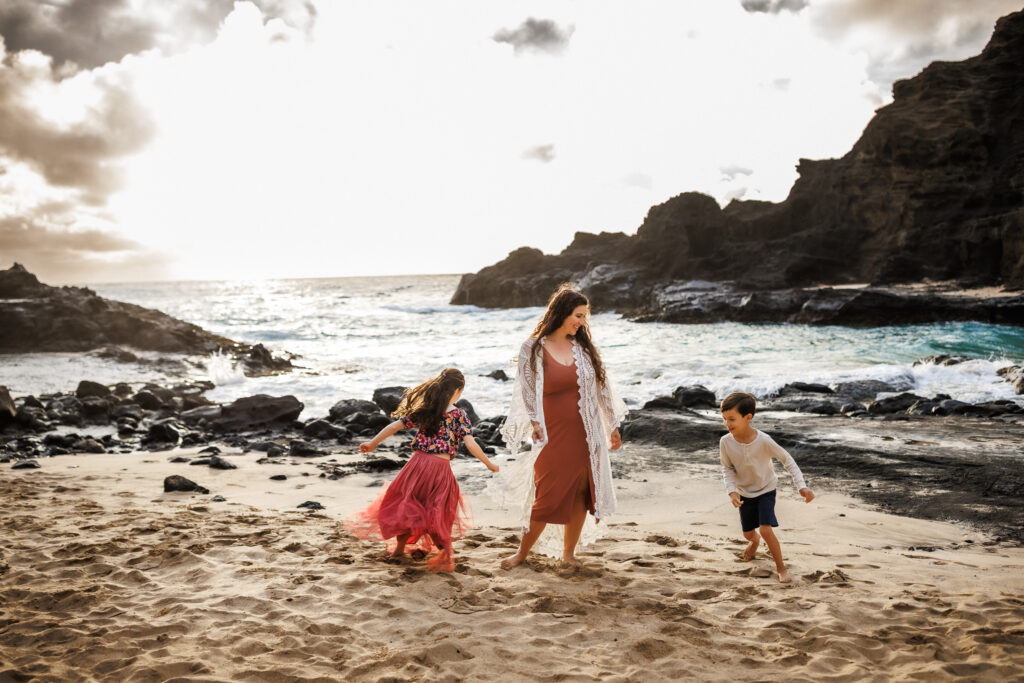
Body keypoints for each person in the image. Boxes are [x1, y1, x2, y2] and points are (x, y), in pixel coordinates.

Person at [493, 284, 627, 569]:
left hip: (586, 434)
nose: (581, 322)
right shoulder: (533, 348)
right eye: (578, 315)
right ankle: (522, 554)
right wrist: (534, 422)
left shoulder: (584, 350)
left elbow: (603, 389)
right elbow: (526, 391)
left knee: (581, 493)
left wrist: (611, 425)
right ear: (563, 312)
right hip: (552, 435)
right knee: (548, 495)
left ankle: (569, 555)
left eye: (584, 317)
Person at [345, 368, 499, 572]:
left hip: (416, 466)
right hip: (440, 470)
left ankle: (399, 549)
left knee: (407, 504)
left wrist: (373, 443)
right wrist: (489, 463)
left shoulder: (426, 409)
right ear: (458, 390)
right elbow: (471, 444)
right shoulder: (459, 415)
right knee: (437, 511)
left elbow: (394, 427)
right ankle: (444, 551)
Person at [719, 391, 815, 583]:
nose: (727, 424)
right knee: (748, 534)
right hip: (744, 492)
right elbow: (727, 468)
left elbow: (787, 459)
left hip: (766, 490)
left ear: (748, 418)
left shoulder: (763, 440)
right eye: (724, 419)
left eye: (731, 419)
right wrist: (732, 491)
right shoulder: (725, 442)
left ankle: (781, 568)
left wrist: (801, 486)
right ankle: (754, 542)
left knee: (765, 529)